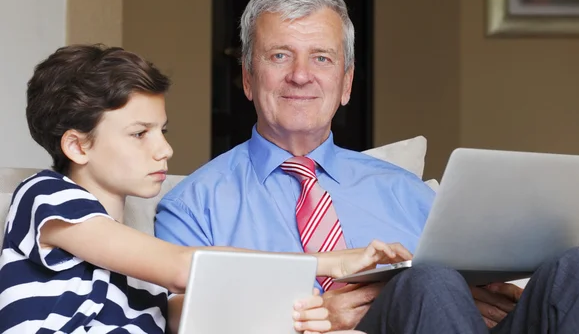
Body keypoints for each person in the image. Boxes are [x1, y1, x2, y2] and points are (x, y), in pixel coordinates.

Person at [155, 0, 579, 333]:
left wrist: (489, 297)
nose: (301, 75)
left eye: (322, 58)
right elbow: (176, 318)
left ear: (345, 84)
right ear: (249, 79)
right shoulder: (195, 204)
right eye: (279, 56)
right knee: (427, 281)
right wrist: (313, 316)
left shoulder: (403, 189)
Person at [0, 44, 404, 334]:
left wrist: (304, 318)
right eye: (140, 134)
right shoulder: (46, 197)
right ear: (77, 145)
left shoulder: (138, 264)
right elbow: (183, 268)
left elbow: (198, 315)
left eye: (162, 131)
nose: (165, 149)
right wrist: (327, 262)